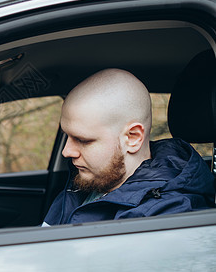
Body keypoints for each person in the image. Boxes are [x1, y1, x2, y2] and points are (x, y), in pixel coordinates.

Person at [43, 68, 215, 226]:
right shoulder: (85, 182)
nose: (67, 151)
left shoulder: (164, 218)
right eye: (68, 135)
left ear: (133, 138)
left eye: (83, 140)